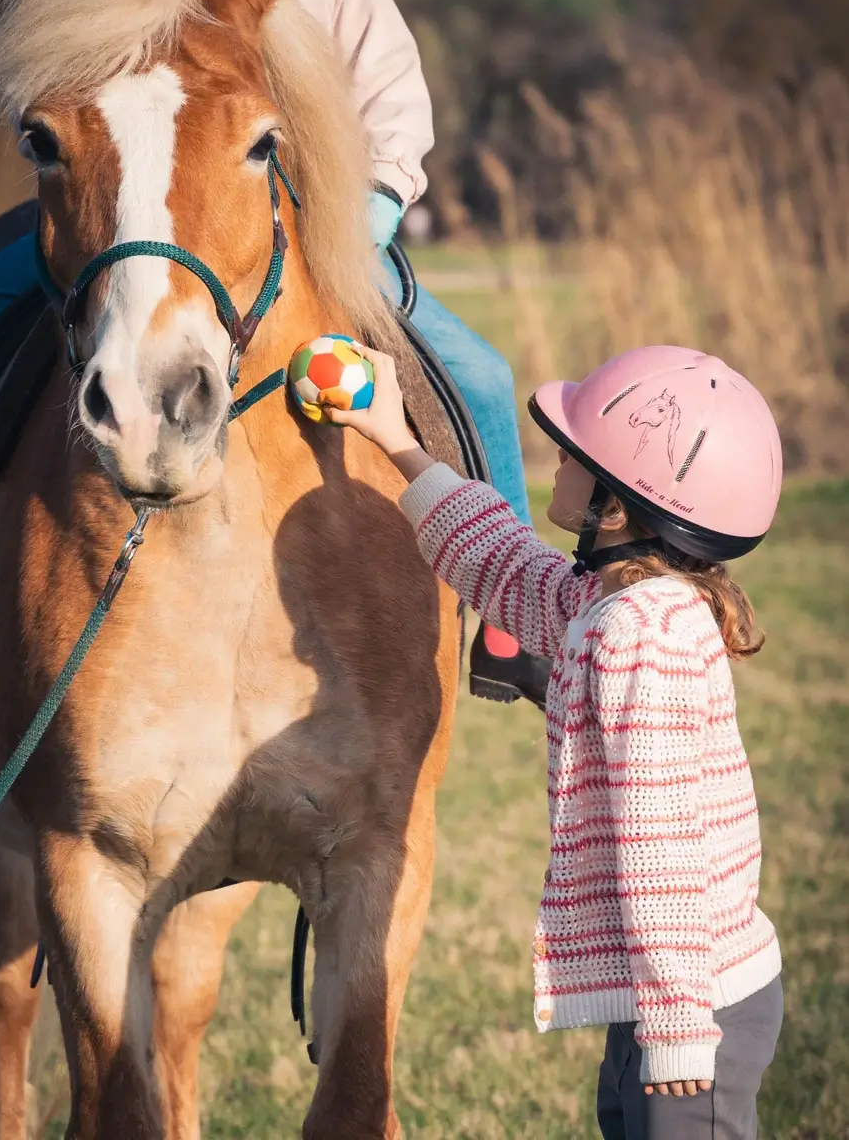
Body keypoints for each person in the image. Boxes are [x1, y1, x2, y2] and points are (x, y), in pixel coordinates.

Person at [0, 0, 545, 708]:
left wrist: (364, 223)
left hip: (317, 232)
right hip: (129, 220)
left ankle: (514, 621)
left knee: (482, 377)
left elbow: (395, 113)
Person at [332, 340, 784, 1140]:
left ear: (616, 502)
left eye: (575, 454)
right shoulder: (610, 604)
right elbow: (505, 566)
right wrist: (396, 439)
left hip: (693, 1005)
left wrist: (677, 1028)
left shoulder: (642, 637)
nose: (555, 460)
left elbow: (661, 849)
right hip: (665, 989)